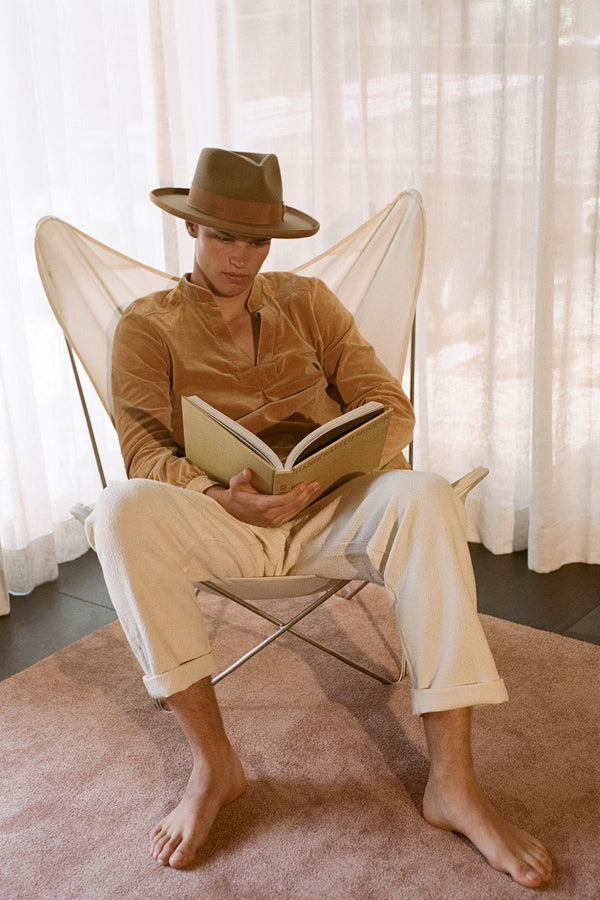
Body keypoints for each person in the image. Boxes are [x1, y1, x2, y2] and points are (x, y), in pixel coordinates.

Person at [86, 148, 552, 888]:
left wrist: (334, 464)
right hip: (221, 519)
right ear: (192, 229)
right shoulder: (146, 325)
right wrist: (218, 495)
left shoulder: (310, 302)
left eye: (256, 241)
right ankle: (214, 767)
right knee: (117, 510)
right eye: (223, 236)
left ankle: (454, 785)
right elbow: (143, 449)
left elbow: (390, 406)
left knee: (428, 495)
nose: (240, 257)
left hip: (330, 508)